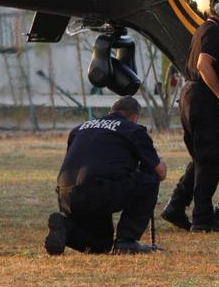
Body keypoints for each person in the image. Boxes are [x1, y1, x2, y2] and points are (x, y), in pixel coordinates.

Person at [161, 0, 219, 231]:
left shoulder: (210, 31)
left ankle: (176, 207)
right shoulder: (212, 31)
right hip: (203, 98)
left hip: (191, 97)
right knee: (210, 159)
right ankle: (202, 219)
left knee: (201, 158)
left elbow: (215, 48)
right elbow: (203, 65)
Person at [46, 96, 167, 255]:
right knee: (149, 177)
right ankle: (126, 241)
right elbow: (160, 172)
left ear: (111, 111)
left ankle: (66, 228)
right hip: (99, 192)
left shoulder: (79, 128)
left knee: (101, 245)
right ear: (134, 117)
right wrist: (159, 160)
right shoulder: (132, 129)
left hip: (67, 196)